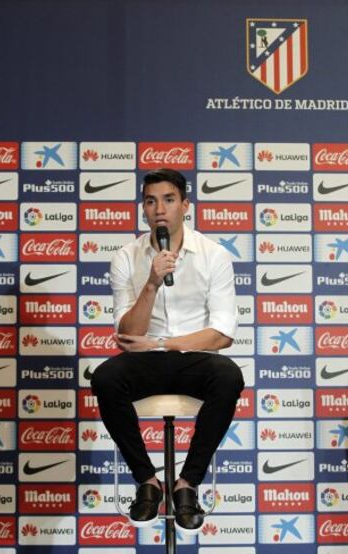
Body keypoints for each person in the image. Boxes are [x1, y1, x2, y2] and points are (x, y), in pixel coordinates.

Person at [91, 168, 244, 535]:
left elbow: (222, 334)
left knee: (228, 376)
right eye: (150, 200)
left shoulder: (214, 255)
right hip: (144, 361)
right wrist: (152, 283)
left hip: (193, 358)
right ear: (143, 209)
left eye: (169, 199)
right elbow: (127, 336)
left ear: (185, 205)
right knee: (106, 377)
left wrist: (163, 343)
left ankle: (187, 483)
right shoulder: (127, 257)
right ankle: (147, 480)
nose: (159, 209)